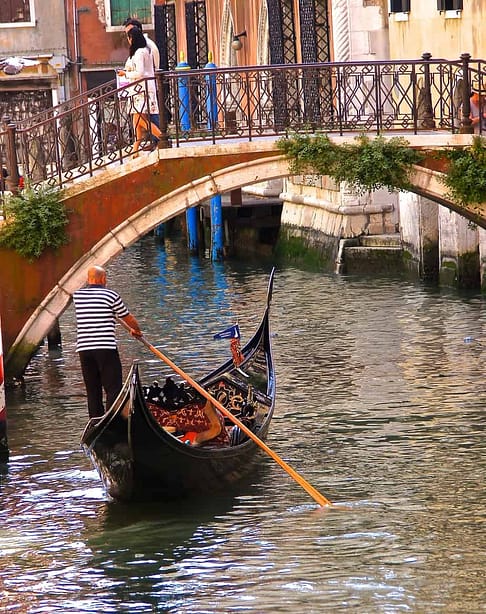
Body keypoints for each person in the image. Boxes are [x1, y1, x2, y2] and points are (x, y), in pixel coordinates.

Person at [73, 265, 142, 418]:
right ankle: (111, 420)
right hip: (105, 348)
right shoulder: (110, 296)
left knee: (93, 390)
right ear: (103, 279)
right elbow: (128, 318)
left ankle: (96, 420)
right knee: (113, 388)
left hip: (84, 350)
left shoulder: (77, 296)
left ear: (88, 279)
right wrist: (136, 330)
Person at [118, 26, 162, 157]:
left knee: (139, 120)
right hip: (141, 89)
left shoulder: (139, 53)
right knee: (137, 121)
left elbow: (140, 72)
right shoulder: (144, 51)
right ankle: (135, 149)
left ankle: (162, 137)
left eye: (129, 37)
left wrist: (125, 74)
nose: (128, 40)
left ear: (133, 38)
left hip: (141, 90)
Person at [123, 17, 160, 131]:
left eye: (130, 33)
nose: (128, 37)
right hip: (138, 89)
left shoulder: (145, 48)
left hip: (143, 88)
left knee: (144, 119)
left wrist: (126, 74)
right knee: (137, 120)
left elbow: (145, 70)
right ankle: (136, 146)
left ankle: (160, 139)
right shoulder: (138, 49)